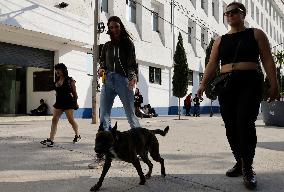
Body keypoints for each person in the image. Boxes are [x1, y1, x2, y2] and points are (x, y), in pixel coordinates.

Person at [197, 2, 278, 190]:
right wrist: (202, 84)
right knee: (231, 124)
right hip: (226, 84)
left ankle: (248, 167)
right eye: (227, 13)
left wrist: (274, 83)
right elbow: (211, 64)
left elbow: (267, 59)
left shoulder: (256, 34)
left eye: (235, 12)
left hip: (250, 81)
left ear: (243, 14)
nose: (231, 15)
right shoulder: (220, 40)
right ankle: (240, 161)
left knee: (245, 122)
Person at [88, 16, 141, 169]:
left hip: (123, 81)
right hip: (108, 81)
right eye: (111, 27)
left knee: (131, 115)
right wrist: (101, 68)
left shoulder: (128, 44)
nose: (114, 29)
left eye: (116, 26)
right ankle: (103, 155)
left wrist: (132, 78)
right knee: (104, 116)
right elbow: (103, 61)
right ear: (109, 29)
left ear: (120, 27)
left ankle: (139, 146)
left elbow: (132, 64)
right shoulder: (106, 46)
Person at [40, 63, 81, 147]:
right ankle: (51, 140)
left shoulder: (70, 80)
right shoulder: (57, 81)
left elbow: (75, 93)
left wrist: (76, 103)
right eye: (56, 70)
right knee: (54, 119)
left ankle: (77, 135)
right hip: (59, 103)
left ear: (63, 70)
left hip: (68, 103)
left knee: (71, 120)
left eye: (59, 69)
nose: (57, 71)